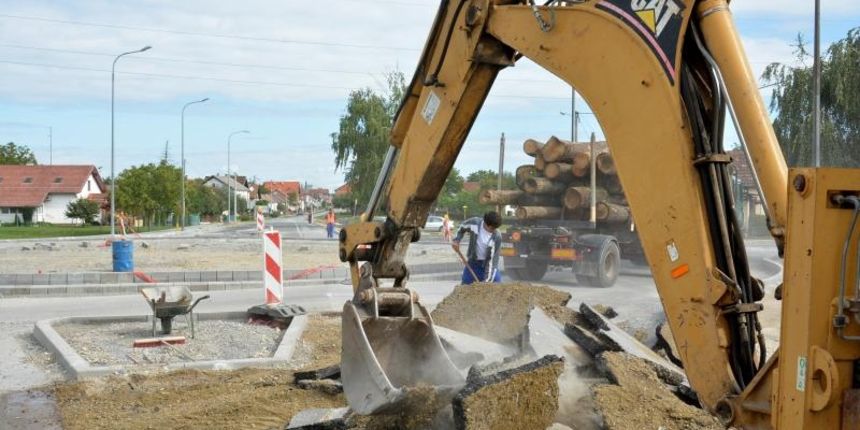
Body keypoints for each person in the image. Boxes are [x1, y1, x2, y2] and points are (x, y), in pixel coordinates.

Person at [452, 211, 503, 284]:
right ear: (486, 223)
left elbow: (493, 261)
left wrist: (486, 282)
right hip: (473, 264)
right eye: (492, 228)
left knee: (495, 284)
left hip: (487, 265)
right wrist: (457, 240)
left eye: (496, 228)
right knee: (465, 285)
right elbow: (462, 227)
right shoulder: (475, 223)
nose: (494, 230)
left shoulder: (497, 236)